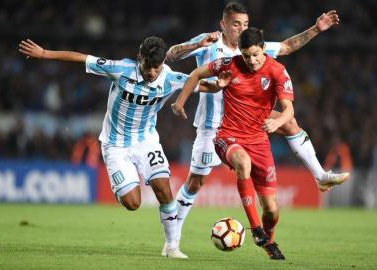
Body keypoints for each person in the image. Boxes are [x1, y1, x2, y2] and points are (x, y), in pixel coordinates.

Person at [164, 1, 349, 255]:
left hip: (249, 122)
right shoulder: (210, 43)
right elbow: (171, 54)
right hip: (213, 125)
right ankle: (172, 242)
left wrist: (316, 28)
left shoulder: (252, 49)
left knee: (289, 120)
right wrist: (197, 44)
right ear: (223, 25)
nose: (241, 29)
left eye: (245, 24)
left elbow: (287, 46)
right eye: (236, 24)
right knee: (195, 183)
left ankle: (319, 175)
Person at [18, 37, 216, 259]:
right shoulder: (121, 69)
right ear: (139, 58)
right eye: (148, 66)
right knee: (133, 203)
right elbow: (82, 58)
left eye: (156, 67)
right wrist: (45, 53)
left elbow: (202, 84)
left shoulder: (169, 78)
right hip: (115, 146)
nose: (151, 72)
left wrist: (225, 83)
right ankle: (121, 184)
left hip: (146, 141)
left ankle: (172, 246)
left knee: (164, 189)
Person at [172, 27, 298, 260]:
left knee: (271, 210)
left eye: (256, 54)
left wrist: (278, 120)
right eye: (246, 55)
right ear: (240, 51)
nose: (251, 60)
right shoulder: (229, 64)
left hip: (259, 142)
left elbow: (289, 109)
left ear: (264, 49)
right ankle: (255, 228)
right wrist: (180, 102)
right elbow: (196, 74)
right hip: (228, 135)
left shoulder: (277, 71)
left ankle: (268, 239)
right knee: (242, 163)